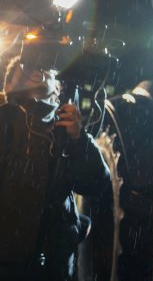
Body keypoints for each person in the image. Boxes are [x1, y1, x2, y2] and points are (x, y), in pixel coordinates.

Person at [0, 57, 110, 281]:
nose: (42, 74)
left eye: (49, 71)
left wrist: (79, 139)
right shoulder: (5, 123)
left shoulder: (67, 131)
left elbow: (98, 183)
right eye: (32, 68)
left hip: (55, 265)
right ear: (9, 86)